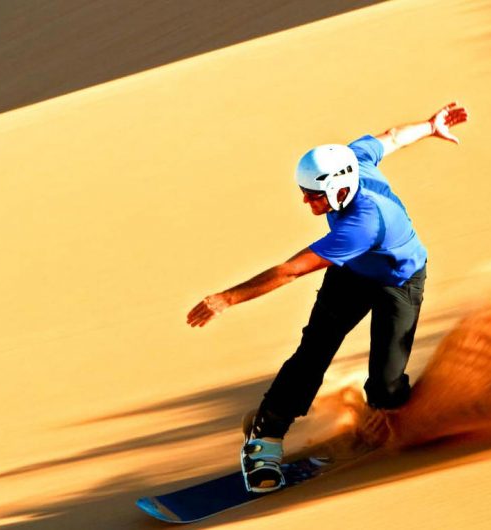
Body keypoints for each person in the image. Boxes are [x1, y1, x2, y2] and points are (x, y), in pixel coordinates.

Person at [185, 102, 469, 492]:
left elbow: (291, 270)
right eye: (304, 193)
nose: (306, 202)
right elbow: (391, 138)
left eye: (313, 195)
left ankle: (385, 414)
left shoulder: (363, 223)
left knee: (387, 388)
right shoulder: (351, 161)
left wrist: (227, 299)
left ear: (338, 187)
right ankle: (265, 436)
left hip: (400, 282)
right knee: (313, 352)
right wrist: (429, 126)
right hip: (352, 275)